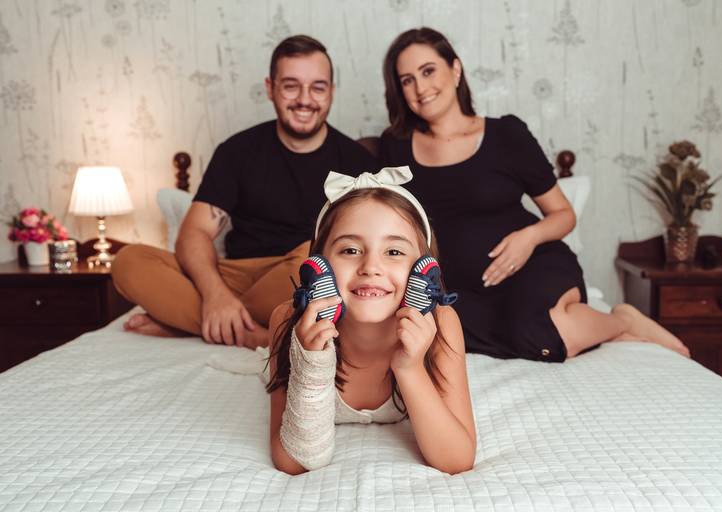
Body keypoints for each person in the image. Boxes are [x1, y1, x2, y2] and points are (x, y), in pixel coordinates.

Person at [378, 27, 690, 362]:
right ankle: (604, 329)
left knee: (533, 333)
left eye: (428, 71)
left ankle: (622, 319)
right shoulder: (395, 147)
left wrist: (527, 239)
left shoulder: (506, 135)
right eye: (407, 80)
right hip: (461, 290)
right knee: (445, 330)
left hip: (533, 267)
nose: (420, 88)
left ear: (455, 70)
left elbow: (563, 215)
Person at [112, 35, 376, 348]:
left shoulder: (357, 162)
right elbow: (194, 233)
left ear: (331, 91)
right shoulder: (237, 151)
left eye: (317, 87)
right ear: (270, 88)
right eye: (291, 86)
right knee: (129, 261)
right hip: (235, 276)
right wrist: (215, 295)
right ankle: (255, 331)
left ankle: (190, 323)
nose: (304, 99)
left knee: (317, 258)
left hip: (300, 276)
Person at [266, 168, 476, 475]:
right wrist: (311, 363)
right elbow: (293, 463)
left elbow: (456, 460)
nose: (371, 267)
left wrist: (410, 368)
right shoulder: (287, 320)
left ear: (423, 270)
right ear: (320, 266)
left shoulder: (441, 323)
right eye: (350, 250)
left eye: (394, 251)